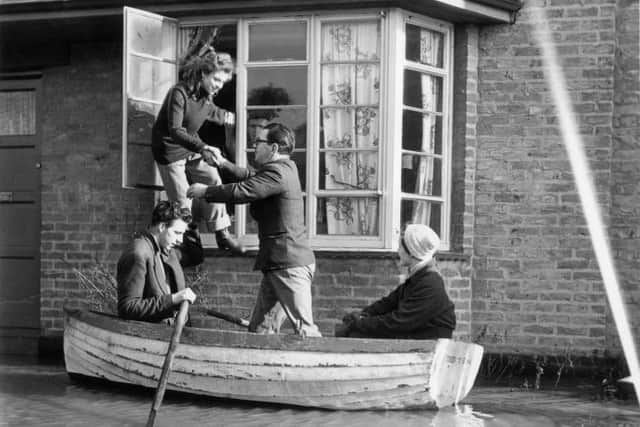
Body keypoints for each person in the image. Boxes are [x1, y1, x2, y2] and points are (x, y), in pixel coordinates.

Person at [187, 123, 321, 337]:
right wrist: (222, 163)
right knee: (260, 330)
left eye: (259, 141)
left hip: (289, 265)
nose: (254, 145)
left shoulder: (277, 174)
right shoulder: (283, 169)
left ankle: (322, 368)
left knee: (306, 331)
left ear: (274, 148)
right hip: (278, 263)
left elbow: (244, 190)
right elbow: (250, 176)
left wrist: (206, 191)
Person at [151, 50, 242, 253]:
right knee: (183, 202)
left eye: (223, 82)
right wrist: (203, 147)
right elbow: (175, 131)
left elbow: (212, 112)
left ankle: (222, 235)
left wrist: (235, 118)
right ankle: (190, 248)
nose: (218, 85)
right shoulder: (179, 93)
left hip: (189, 148)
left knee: (213, 178)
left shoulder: (206, 98)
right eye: (216, 79)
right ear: (203, 74)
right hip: (169, 150)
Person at [335, 224, 456, 339]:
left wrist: (360, 323)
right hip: (415, 333)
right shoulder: (419, 276)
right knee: (352, 331)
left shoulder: (430, 283)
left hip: (429, 342)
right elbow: (388, 303)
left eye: (400, 247)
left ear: (412, 252)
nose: (398, 250)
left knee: (356, 335)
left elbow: (399, 322)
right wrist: (363, 314)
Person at [117, 201, 203, 323]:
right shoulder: (138, 253)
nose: (180, 240)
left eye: (182, 234)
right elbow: (128, 308)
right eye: (177, 233)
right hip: (150, 337)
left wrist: (192, 223)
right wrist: (173, 299)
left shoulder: (166, 248)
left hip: (169, 334)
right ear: (162, 227)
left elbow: (197, 257)